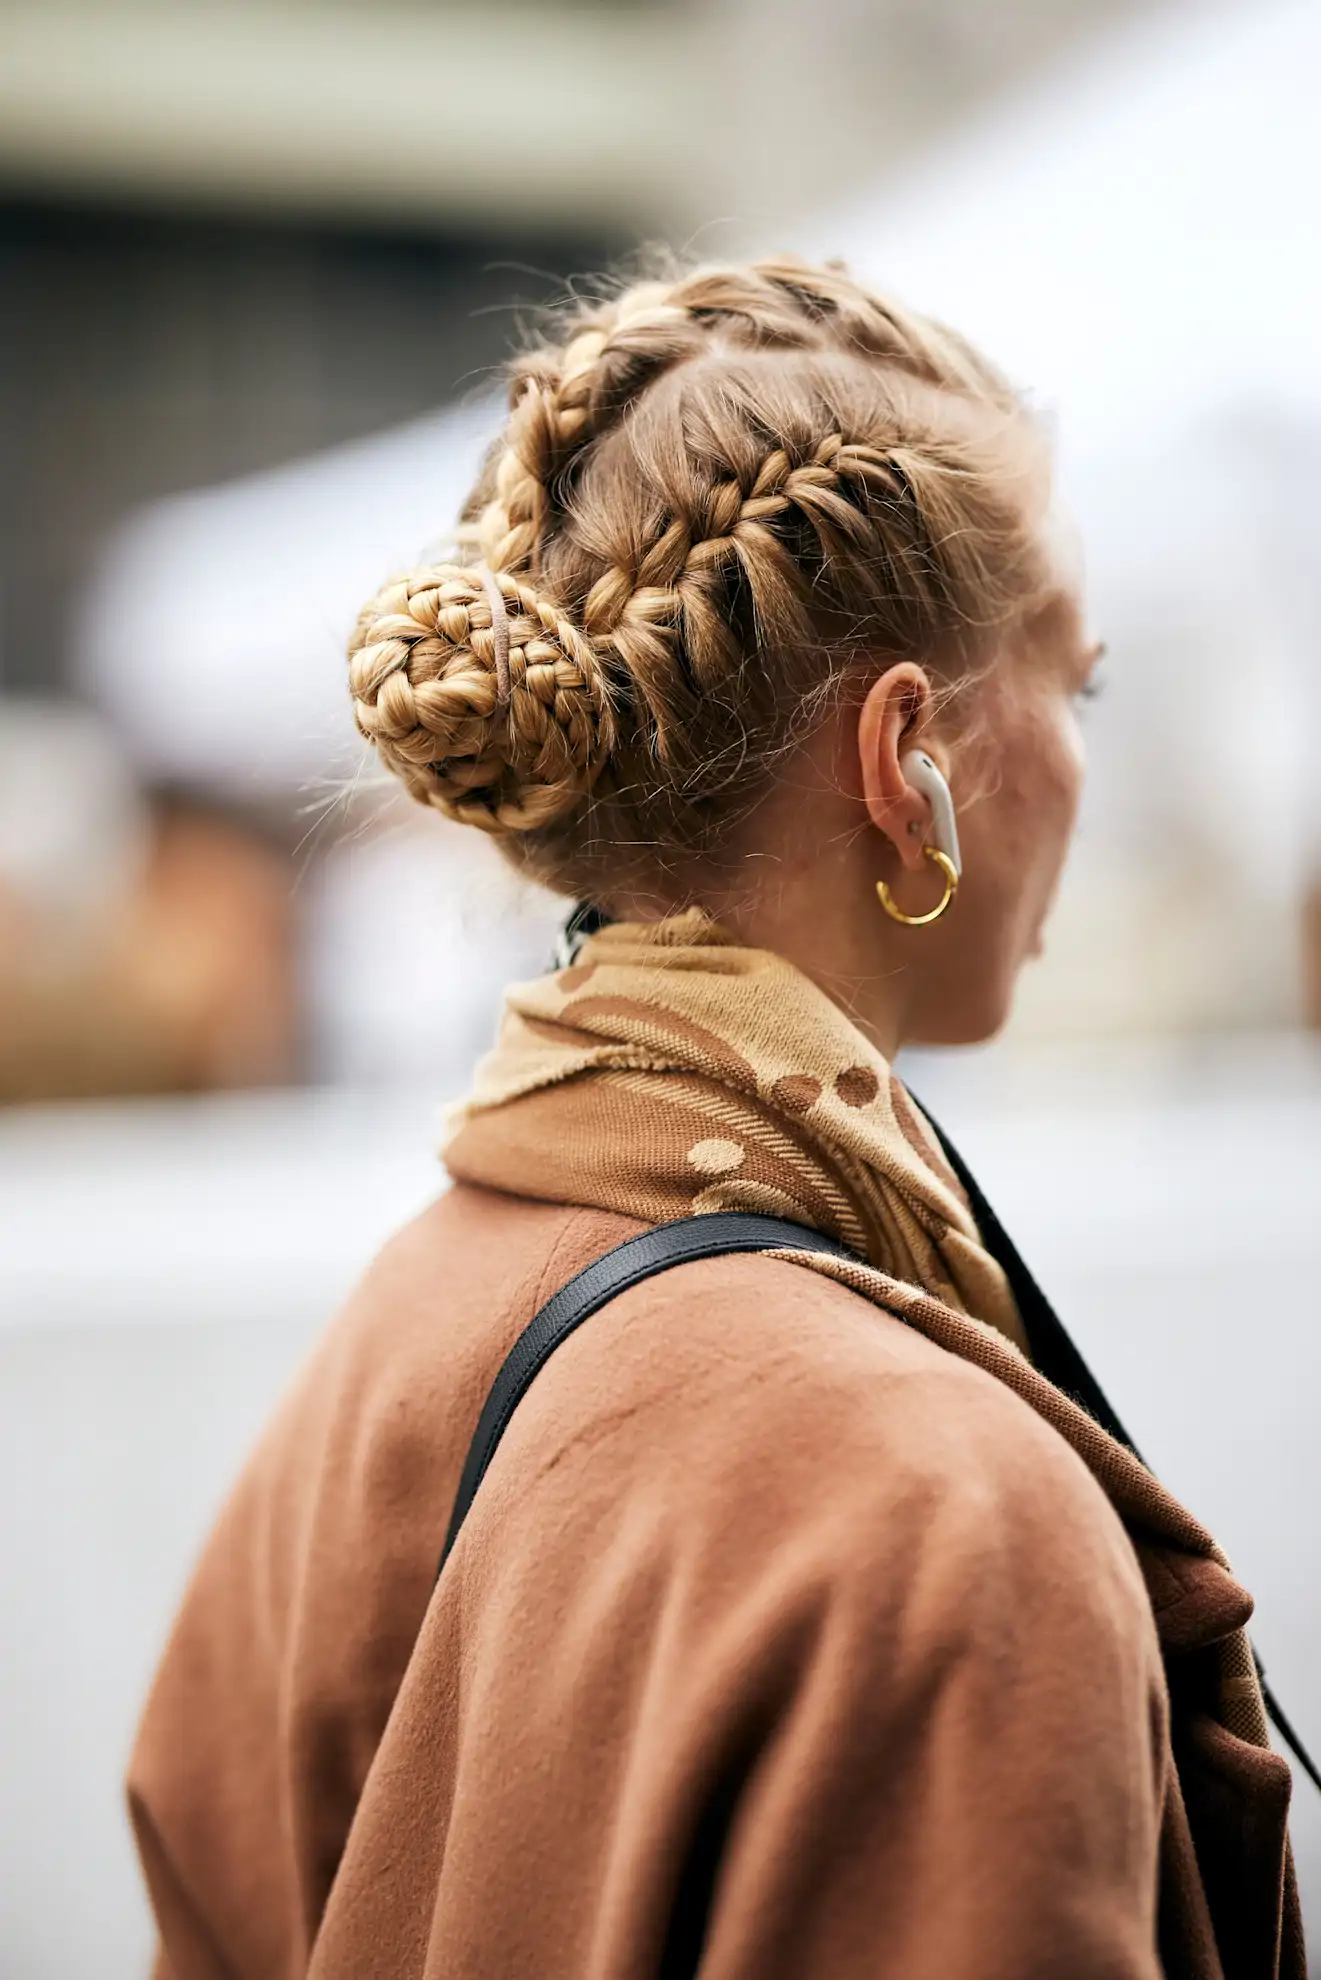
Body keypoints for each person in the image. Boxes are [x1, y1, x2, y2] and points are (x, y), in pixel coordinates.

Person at [128, 256, 1303, 1979]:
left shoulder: (388, 1337)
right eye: (1081, 682)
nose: (1084, 758)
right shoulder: (949, 1525)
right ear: (908, 764)